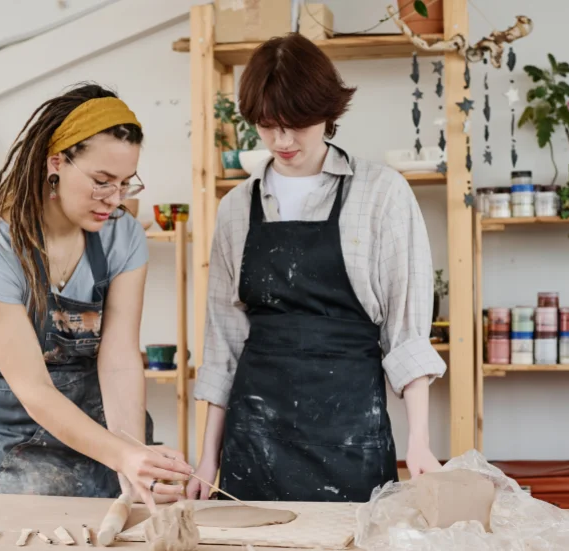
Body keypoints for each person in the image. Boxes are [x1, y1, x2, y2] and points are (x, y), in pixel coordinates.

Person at [187, 34, 446, 503]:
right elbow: (223, 343)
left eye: (297, 125)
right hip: (254, 435)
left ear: (327, 111)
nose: (282, 142)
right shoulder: (236, 208)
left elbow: (407, 335)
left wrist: (420, 443)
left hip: (350, 433)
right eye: (268, 126)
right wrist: (208, 456)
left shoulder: (382, 194)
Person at [0, 83, 192, 509]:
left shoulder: (123, 236)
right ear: (56, 163)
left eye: (124, 184)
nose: (114, 200)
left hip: (109, 434)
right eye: (102, 181)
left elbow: (117, 362)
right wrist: (125, 456)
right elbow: (35, 388)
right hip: (23, 448)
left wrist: (131, 462)